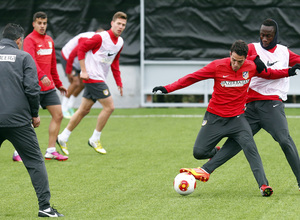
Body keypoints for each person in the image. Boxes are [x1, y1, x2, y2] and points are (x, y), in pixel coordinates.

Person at [153, 40, 299, 196]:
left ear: (245, 59)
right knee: (199, 152)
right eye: (234, 60)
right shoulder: (217, 66)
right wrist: (168, 88)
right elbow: (192, 77)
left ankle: (263, 186)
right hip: (215, 118)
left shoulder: (251, 67)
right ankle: (217, 152)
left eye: (240, 61)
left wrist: (289, 72)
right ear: (230, 54)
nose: (236, 64)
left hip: (238, 119)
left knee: (251, 148)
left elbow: (269, 74)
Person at [203, 18, 300, 191]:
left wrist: (294, 68)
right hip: (250, 106)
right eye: (262, 35)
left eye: (268, 36)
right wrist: (254, 57)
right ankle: (204, 170)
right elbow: (240, 54)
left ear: (275, 35)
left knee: (284, 140)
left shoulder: (285, 53)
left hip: (272, 105)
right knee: (236, 141)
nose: (264, 39)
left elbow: (296, 62)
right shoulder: (252, 48)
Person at [0, 23, 63, 217]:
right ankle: (44, 207)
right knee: (35, 162)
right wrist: (34, 114)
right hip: (18, 121)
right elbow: (32, 89)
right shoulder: (23, 57)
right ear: (19, 40)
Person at [56, 11, 127, 155]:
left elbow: (115, 62)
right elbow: (81, 49)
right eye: (118, 23)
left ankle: (63, 137)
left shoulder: (120, 42)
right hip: (93, 78)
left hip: (99, 77)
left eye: (123, 25)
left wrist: (119, 81)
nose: (120, 27)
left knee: (84, 110)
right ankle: (95, 138)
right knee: (110, 107)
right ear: (112, 23)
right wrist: (83, 70)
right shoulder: (100, 37)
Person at [23, 11, 68, 161]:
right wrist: (41, 76)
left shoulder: (49, 40)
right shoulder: (29, 40)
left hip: (48, 89)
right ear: (33, 24)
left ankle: (50, 150)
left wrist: (59, 83)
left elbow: (53, 64)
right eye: (39, 23)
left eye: (44, 23)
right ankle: (18, 152)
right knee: (24, 121)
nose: (42, 26)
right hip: (33, 87)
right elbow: (31, 62)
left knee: (58, 115)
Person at [60, 27, 105, 119]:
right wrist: (69, 73)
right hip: (68, 58)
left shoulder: (101, 44)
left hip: (79, 62)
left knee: (82, 83)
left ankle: (70, 106)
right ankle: (63, 108)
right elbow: (72, 55)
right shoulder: (86, 40)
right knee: (75, 82)